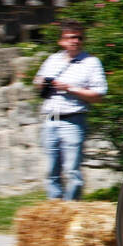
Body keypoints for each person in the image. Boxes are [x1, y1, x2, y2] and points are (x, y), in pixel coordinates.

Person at [34, 21, 107, 200]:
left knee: (72, 171)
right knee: (52, 170)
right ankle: (55, 208)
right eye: (71, 37)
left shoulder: (91, 62)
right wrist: (42, 83)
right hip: (50, 119)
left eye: (79, 37)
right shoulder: (52, 60)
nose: (75, 41)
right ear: (62, 41)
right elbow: (37, 82)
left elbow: (99, 94)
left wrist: (68, 88)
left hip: (73, 120)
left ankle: (71, 208)